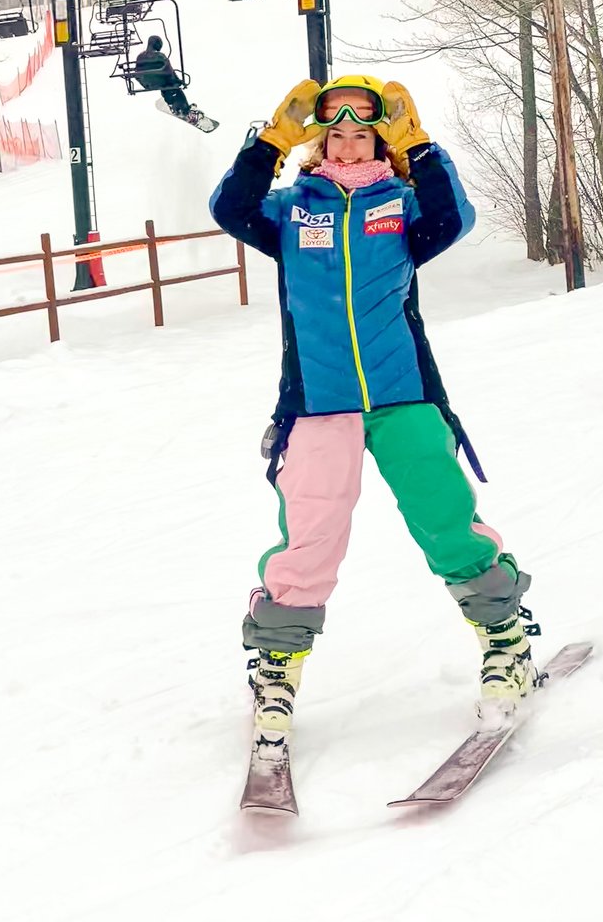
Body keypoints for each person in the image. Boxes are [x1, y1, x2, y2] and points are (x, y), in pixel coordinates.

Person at [209, 75, 538, 760]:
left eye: (365, 132)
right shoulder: (290, 210)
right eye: (337, 133)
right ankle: (277, 673)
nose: (351, 141)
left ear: (382, 140)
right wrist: (269, 141)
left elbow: (455, 220)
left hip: (404, 393)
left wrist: (419, 146)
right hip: (318, 403)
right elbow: (229, 207)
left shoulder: (404, 204)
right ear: (317, 140)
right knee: (310, 539)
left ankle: (505, 643)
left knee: (446, 516)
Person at [133, 35, 193, 119]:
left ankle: (172, 104)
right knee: (174, 88)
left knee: (165, 87)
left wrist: (144, 82)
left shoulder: (140, 56)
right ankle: (184, 110)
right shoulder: (159, 56)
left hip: (148, 83)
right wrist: (178, 81)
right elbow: (169, 72)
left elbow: (137, 73)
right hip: (162, 82)